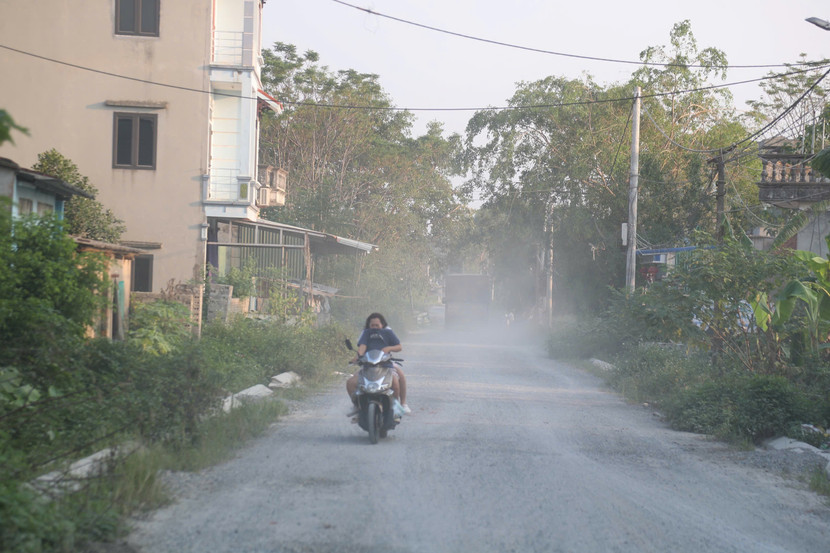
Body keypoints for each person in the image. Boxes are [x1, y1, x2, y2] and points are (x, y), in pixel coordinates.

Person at [346, 312, 411, 416]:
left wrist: (389, 348)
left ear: (382, 324)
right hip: (368, 364)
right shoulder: (366, 333)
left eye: (377, 325)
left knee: (397, 380)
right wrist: (357, 357)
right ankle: (357, 406)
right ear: (369, 325)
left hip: (386, 364)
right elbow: (362, 347)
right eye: (372, 325)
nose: (375, 327)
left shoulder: (388, 332)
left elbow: (399, 347)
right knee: (350, 382)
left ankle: (400, 405)